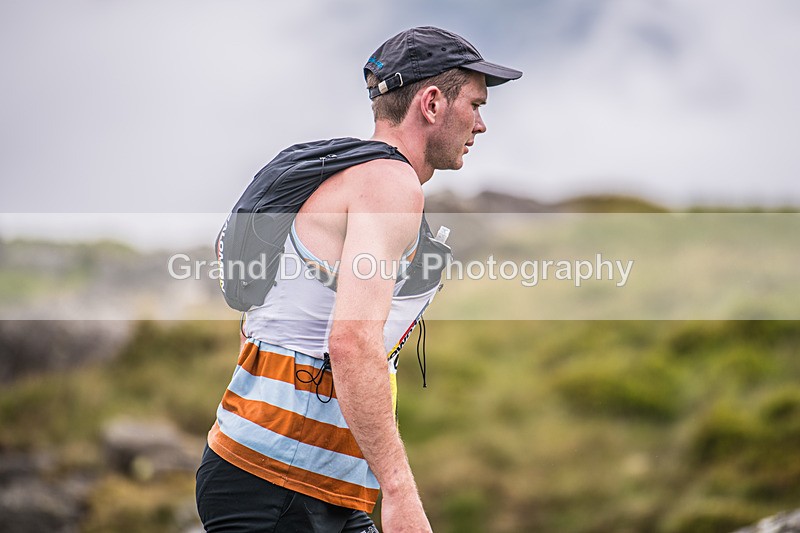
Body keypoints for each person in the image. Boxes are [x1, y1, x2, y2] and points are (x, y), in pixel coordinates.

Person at [196, 26, 521, 532]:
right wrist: (400, 494)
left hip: (292, 478)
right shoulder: (389, 185)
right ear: (432, 104)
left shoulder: (339, 175)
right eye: (475, 104)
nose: (480, 124)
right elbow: (351, 342)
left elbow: (278, 318)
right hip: (281, 482)